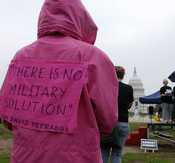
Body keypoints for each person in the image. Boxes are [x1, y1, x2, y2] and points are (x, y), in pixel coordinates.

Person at [0, 0, 119, 163]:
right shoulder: (94, 58)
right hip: (76, 155)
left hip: (25, 155)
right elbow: (108, 121)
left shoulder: (21, 57)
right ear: (80, 19)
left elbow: (7, 115)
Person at [101, 66, 134, 163]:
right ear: (123, 76)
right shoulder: (128, 88)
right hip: (122, 122)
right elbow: (129, 105)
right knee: (117, 152)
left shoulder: (105, 87)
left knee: (104, 150)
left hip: (107, 122)